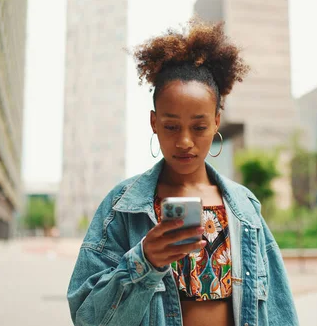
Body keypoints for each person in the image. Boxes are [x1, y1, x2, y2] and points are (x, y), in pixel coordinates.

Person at [67, 19, 298, 326]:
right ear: (153, 122)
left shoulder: (245, 207)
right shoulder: (122, 206)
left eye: (199, 127)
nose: (185, 141)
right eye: (171, 126)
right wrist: (144, 261)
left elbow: (279, 310)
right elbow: (87, 318)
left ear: (217, 122)